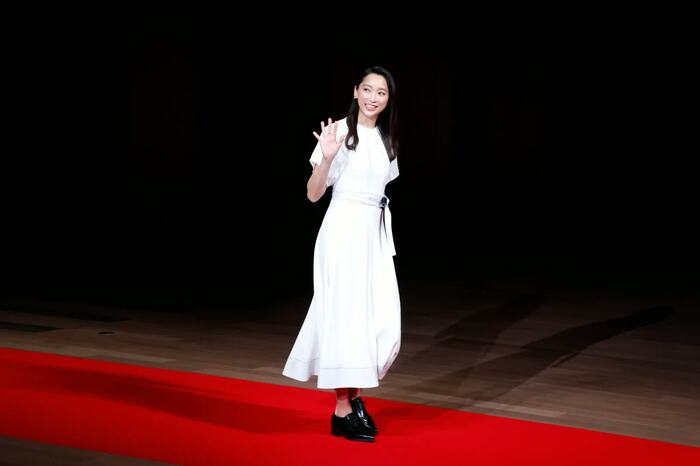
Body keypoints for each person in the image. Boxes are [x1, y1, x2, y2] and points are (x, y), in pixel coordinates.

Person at [282, 66, 401, 442]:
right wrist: (328, 157)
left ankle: (354, 397)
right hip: (341, 232)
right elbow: (313, 194)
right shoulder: (337, 132)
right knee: (346, 320)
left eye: (380, 92)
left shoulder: (386, 139)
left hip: (373, 236)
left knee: (380, 321)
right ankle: (342, 408)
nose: (372, 97)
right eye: (367, 89)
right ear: (355, 91)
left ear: (388, 100)